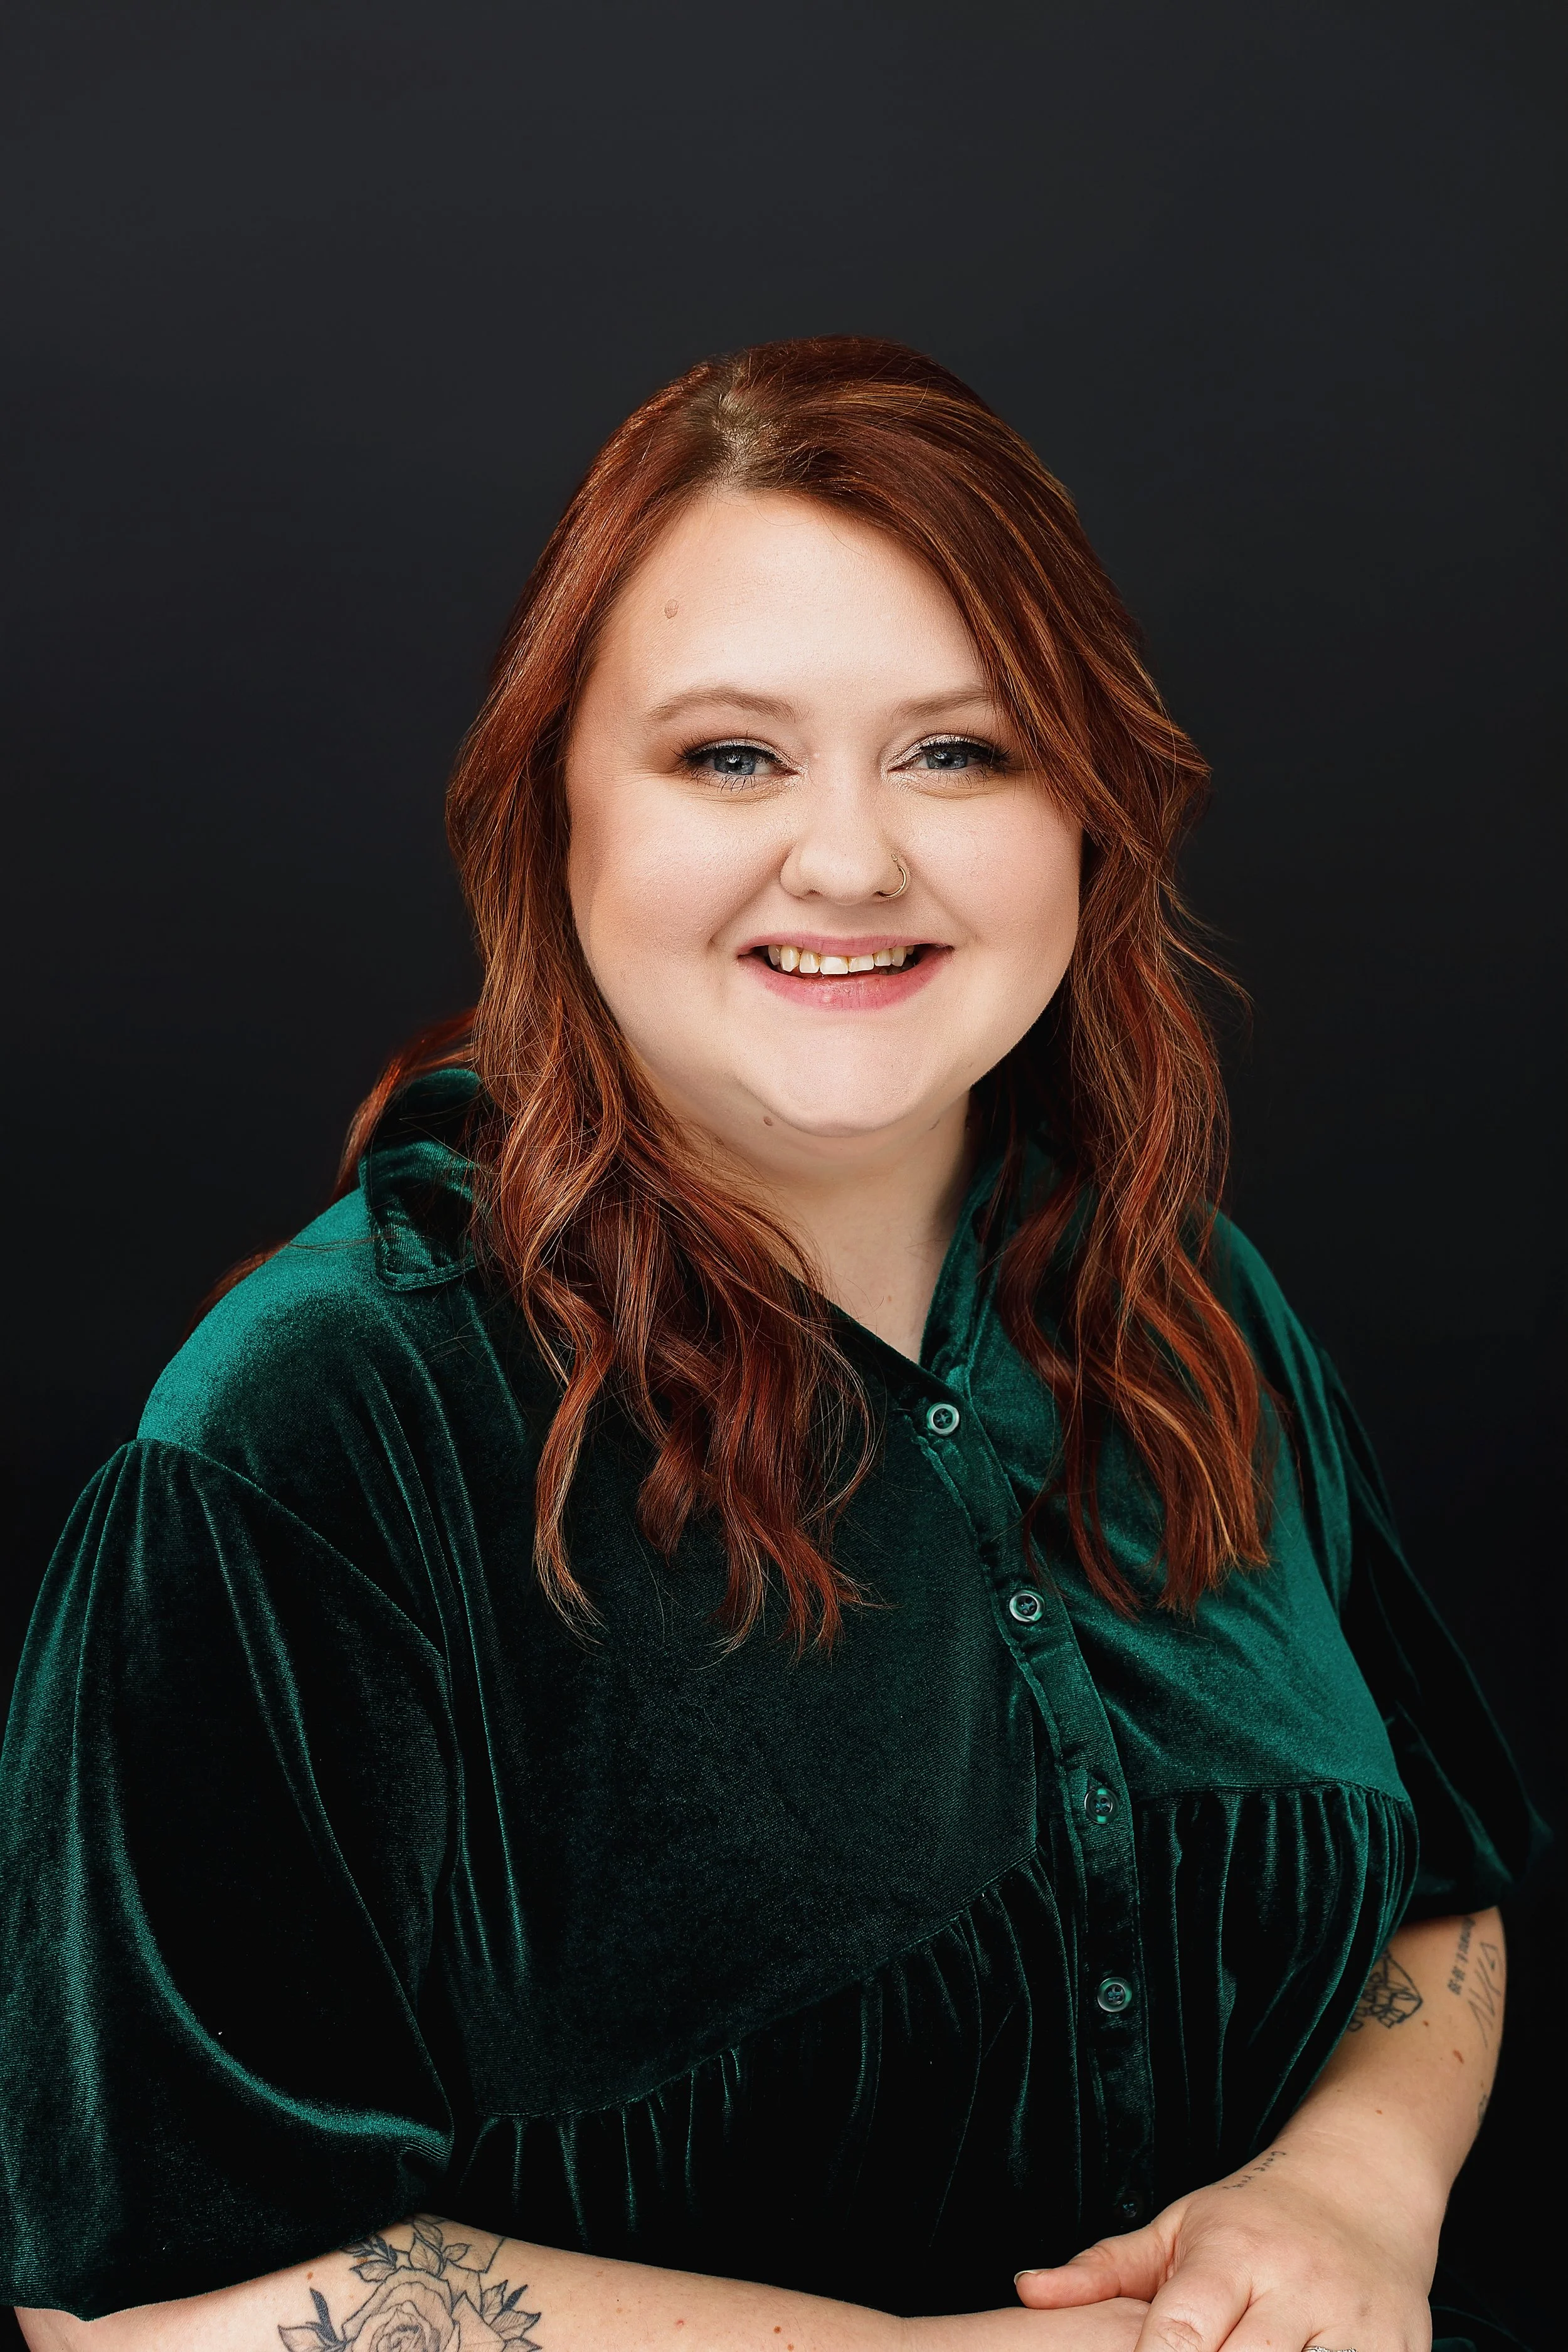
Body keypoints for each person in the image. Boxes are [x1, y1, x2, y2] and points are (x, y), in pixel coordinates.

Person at [0, 338, 1543, 2352]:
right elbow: (148, 2311)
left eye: (958, 751)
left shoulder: (1180, 1301)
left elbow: (1433, 1892)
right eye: (730, 754)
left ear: (1089, 816)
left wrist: (1347, 2189)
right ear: (554, 811)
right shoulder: (322, 1422)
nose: (847, 860)